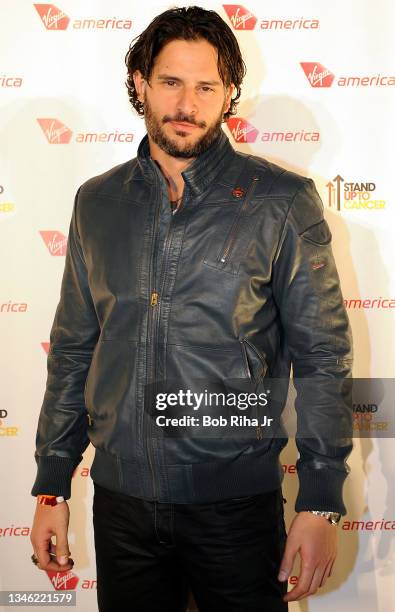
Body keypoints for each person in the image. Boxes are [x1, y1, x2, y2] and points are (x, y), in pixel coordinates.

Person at [30, 6, 353, 611]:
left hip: (235, 509)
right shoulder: (97, 202)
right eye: (170, 82)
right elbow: (75, 346)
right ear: (140, 84)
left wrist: (319, 498)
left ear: (230, 91)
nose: (187, 103)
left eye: (206, 86)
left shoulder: (282, 202)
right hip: (121, 507)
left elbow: (322, 358)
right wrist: (52, 488)